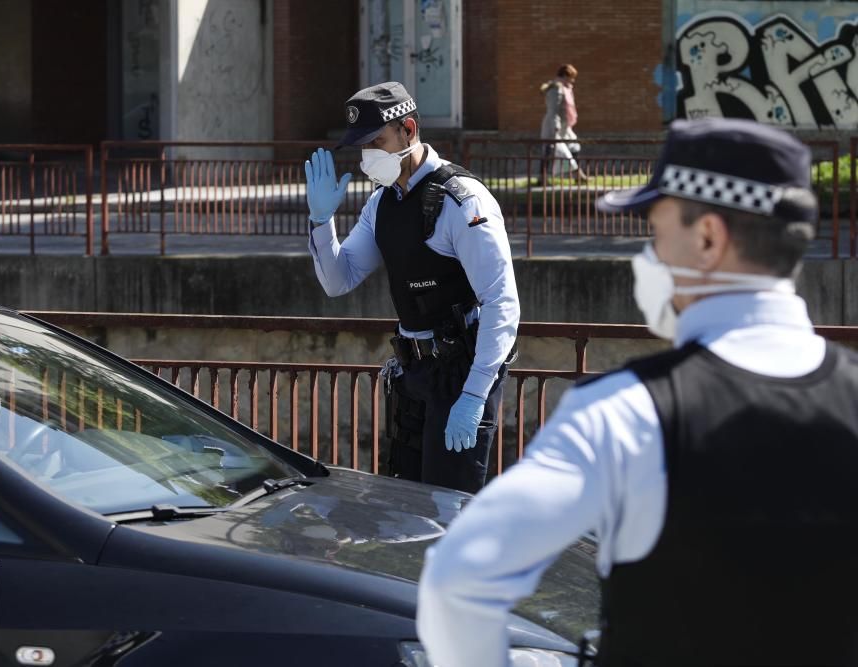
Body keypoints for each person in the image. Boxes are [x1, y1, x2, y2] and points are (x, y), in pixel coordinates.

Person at [417, 118, 858, 666]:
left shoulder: (622, 412)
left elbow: (459, 578)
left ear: (707, 238)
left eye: (656, 230)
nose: (648, 254)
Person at [304, 81, 520, 494]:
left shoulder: (461, 200)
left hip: (460, 375)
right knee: (406, 511)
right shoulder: (382, 202)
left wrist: (475, 395)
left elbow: (501, 302)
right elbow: (338, 279)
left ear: (409, 129)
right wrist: (320, 220)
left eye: (376, 142)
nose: (369, 157)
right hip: (413, 373)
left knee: (450, 514)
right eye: (362, 148)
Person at [539, 64, 587, 184]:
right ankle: (542, 178)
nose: (573, 80)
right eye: (572, 77)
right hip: (554, 126)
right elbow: (553, 110)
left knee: (574, 147)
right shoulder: (556, 89)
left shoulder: (566, 89)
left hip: (565, 127)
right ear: (565, 76)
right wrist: (555, 127)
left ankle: (576, 174)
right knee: (549, 152)